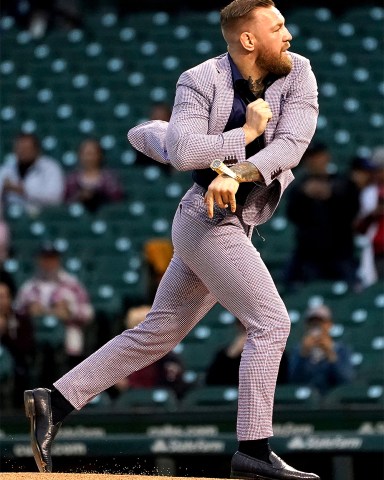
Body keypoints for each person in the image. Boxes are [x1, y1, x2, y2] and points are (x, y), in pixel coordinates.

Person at [24, 2, 320, 479]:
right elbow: (184, 152)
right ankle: (253, 452)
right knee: (271, 322)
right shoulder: (200, 79)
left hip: (234, 218)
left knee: (156, 333)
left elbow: (293, 143)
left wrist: (236, 169)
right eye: (278, 26)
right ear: (248, 39)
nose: (289, 34)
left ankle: (53, 401)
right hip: (205, 220)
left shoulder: (299, 72)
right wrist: (243, 135)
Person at [283, 142, 360, 290]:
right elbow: (292, 214)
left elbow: (352, 205)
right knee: (292, 285)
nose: (314, 161)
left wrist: (331, 192)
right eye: (310, 158)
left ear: (326, 157)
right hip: (309, 254)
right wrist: (303, 193)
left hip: (341, 252)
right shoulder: (299, 186)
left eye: (317, 156)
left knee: (353, 288)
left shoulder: (343, 182)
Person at [15, 241, 94, 383]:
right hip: (35, 345)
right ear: (39, 260)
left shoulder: (71, 284)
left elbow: (88, 312)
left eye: (52, 258)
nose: (49, 263)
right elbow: (15, 314)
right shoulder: (29, 287)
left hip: (67, 344)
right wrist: (28, 313)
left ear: (58, 260)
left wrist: (69, 311)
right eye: (45, 258)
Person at [108, 304, 188, 401]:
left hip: (159, 402)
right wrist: (124, 386)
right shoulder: (122, 355)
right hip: (132, 401)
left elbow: (177, 384)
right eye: (136, 328)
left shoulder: (167, 356)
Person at [288, 305, 355, 395]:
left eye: (320, 322)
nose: (316, 326)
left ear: (329, 325)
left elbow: (345, 379)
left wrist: (330, 354)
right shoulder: (298, 350)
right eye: (312, 322)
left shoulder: (341, 349)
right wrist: (303, 354)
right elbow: (292, 380)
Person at [205, 319, 289, 386]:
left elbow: (281, 383)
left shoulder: (276, 353)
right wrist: (231, 357)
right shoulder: (224, 354)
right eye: (243, 325)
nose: (248, 331)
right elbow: (212, 382)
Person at [0, 133, 65, 216]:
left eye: (26, 148)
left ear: (36, 150)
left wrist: (24, 190)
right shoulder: (6, 169)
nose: (22, 152)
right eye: (19, 148)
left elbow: (55, 198)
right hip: (10, 216)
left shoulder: (50, 168)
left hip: (43, 215)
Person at [64, 138, 124, 213]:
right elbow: (65, 202)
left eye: (92, 153)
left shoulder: (109, 178)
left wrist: (97, 196)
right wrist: (80, 196)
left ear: (100, 155)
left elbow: (117, 200)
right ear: (79, 155)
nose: (89, 158)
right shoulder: (72, 180)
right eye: (86, 154)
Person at [0, 281, 35, 408]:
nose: (1, 301)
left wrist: (6, 333)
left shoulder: (21, 320)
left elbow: (26, 347)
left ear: (10, 298)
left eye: (4, 297)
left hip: (15, 365)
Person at [355, 146, 384, 286]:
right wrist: (374, 213)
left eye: (379, 169)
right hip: (377, 250)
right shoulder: (370, 192)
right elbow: (359, 227)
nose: (376, 173)